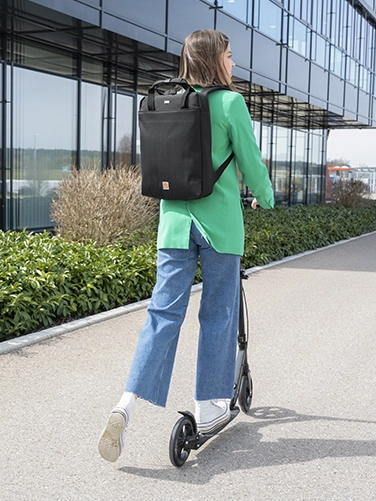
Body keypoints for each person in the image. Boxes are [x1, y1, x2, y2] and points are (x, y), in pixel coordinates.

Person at [98, 29, 274, 463]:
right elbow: (250, 162)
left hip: (174, 226)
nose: (234, 64)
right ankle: (209, 405)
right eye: (230, 57)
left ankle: (127, 401)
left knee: (162, 315)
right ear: (216, 60)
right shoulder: (231, 103)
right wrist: (267, 198)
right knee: (217, 314)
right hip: (220, 230)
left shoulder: (166, 101)